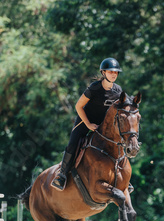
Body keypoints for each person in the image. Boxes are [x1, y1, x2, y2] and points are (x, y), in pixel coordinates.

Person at [51, 57, 123, 191]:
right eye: (110, 72)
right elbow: (79, 106)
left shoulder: (118, 90)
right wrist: (88, 124)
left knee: (118, 143)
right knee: (73, 143)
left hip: (103, 125)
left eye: (116, 72)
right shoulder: (94, 88)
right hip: (85, 120)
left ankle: (122, 178)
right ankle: (62, 175)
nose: (114, 74)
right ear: (103, 73)